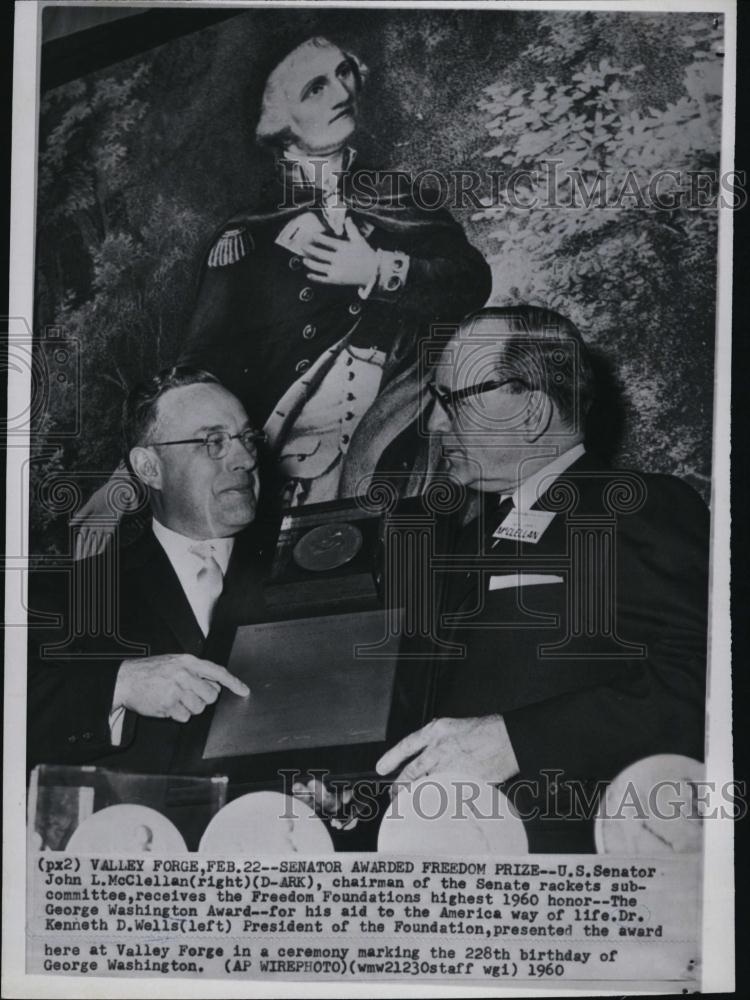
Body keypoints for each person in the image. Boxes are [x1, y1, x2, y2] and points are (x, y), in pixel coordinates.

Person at [377, 306, 709, 852]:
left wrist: (518, 740)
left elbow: (707, 684)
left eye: (449, 402)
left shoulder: (640, 509)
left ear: (530, 408)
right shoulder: (455, 537)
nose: (434, 426)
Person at [179, 34, 492, 507]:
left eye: (344, 72)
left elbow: (470, 281)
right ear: (276, 119)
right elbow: (200, 366)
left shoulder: (398, 193)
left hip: (410, 423)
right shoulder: (247, 234)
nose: (343, 94)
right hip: (296, 453)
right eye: (316, 88)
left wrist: (378, 269)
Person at [27, 367, 268, 776]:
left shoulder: (307, 572)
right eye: (213, 442)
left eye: (247, 438)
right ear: (149, 467)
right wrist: (119, 684)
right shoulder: (71, 594)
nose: (244, 458)